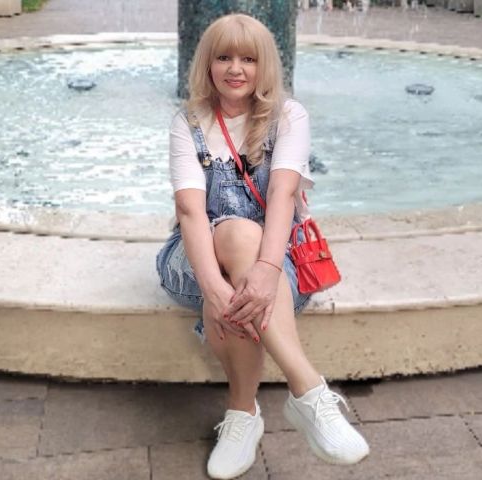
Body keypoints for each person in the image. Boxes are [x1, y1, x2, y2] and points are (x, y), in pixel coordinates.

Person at [156, 13, 369, 480]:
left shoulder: (288, 117)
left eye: (248, 59)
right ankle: (309, 392)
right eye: (224, 57)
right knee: (236, 239)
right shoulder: (188, 122)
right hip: (194, 260)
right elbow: (191, 212)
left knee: (245, 262)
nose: (236, 69)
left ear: (265, 65)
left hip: (276, 259)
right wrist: (213, 287)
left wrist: (266, 270)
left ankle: (243, 416)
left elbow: (283, 194)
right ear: (207, 63)